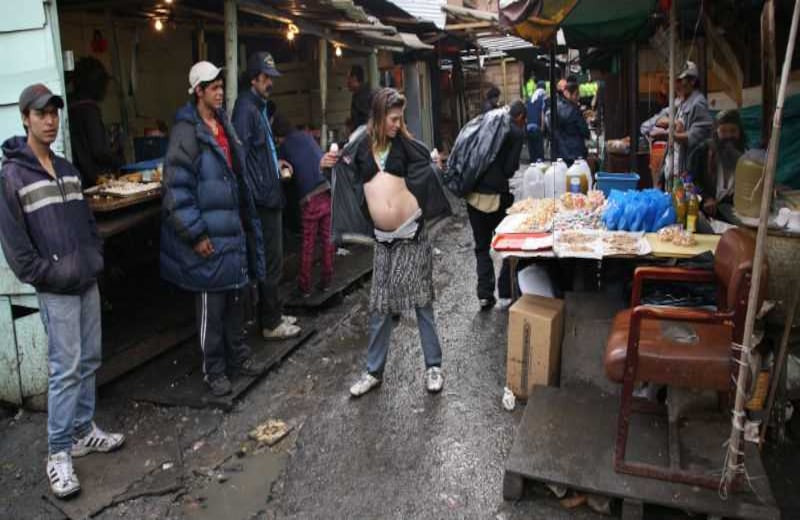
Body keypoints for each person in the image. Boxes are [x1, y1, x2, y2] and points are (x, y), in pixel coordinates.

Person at [0, 84, 125, 499]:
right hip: (57, 288)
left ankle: (82, 431)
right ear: (25, 118)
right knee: (64, 369)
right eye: (41, 114)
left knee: (88, 359)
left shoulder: (68, 169)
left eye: (54, 113)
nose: (50, 120)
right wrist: (46, 275)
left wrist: (94, 258)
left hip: (85, 279)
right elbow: (17, 248)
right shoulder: (13, 176)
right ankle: (57, 454)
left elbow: (88, 224)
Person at [321, 88, 451, 398]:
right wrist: (326, 164)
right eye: (393, 119)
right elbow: (341, 176)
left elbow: (428, 166)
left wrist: (436, 165)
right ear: (379, 117)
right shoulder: (359, 147)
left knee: (422, 303)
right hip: (384, 240)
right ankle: (373, 372)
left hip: (411, 233)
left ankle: (433, 366)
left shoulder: (405, 145)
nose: (397, 124)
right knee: (380, 307)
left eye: (400, 119)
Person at [161, 62, 267, 397]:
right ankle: (214, 370)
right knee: (212, 305)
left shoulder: (222, 124)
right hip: (208, 233)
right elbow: (176, 191)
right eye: (213, 87)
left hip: (231, 228)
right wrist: (196, 234)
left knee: (236, 297)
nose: (220, 92)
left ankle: (238, 358)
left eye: (221, 86)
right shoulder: (186, 133)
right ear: (198, 92)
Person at [232, 52, 300, 340]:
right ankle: (271, 323)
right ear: (253, 79)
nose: (270, 82)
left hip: (270, 193)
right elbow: (241, 159)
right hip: (262, 200)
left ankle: (275, 312)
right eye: (266, 77)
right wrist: (257, 192)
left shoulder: (257, 107)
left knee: (275, 257)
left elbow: (261, 153)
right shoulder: (245, 110)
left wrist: (276, 165)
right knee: (270, 260)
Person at [466, 101, 526, 310]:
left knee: (482, 247)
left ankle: (485, 295)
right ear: (521, 117)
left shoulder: (484, 124)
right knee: (508, 242)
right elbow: (509, 170)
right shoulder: (516, 132)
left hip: (473, 196)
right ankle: (506, 290)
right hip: (496, 197)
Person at [272, 113, 335, 297]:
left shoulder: (283, 147)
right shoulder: (307, 136)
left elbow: (286, 175)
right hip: (325, 190)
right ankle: (326, 279)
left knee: (307, 243)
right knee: (326, 239)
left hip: (309, 198)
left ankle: (305, 286)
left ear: (278, 136)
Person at [68, 57, 122, 186]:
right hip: (95, 179)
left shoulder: (71, 106)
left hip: (80, 176)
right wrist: (119, 161)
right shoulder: (89, 110)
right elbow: (99, 150)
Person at [660, 61, 713, 182]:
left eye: (680, 80)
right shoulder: (681, 103)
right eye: (675, 80)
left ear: (692, 81)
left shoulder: (698, 103)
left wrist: (668, 135)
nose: (676, 84)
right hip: (674, 169)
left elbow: (695, 137)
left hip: (688, 173)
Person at [692, 109, 747, 217]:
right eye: (723, 131)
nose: (728, 136)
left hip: (733, 217)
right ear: (716, 133)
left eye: (733, 131)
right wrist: (706, 198)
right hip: (705, 217)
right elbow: (691, 181)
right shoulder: (702, 152)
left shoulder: (747, 159)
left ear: (740, 133)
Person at [547, 81, 589, 165]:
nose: (578, 97)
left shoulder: (554, 109)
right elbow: (585, 131)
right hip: (575, 153)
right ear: (567, 94)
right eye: (576, 94)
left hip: (559, 153)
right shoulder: (574, 111)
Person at [347, 65, 375, 131]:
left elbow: (368, 119)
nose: (347, 82)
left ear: (354, 78)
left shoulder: (363, 95)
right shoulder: (357, 95)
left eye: (348, 78)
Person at [526, 80, 547, 162]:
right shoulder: (541, 98)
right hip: (537, 127)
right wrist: (542, 127)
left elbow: (526, 114)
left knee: (532, 149)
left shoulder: (530, 99)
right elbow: (542, 114)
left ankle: (532, 164)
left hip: (528, 127)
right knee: (539, 151)